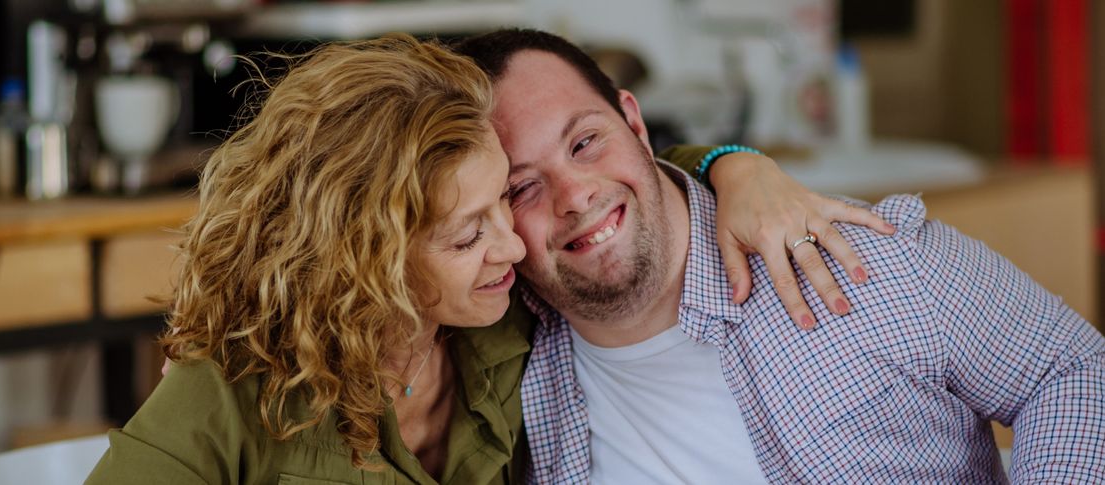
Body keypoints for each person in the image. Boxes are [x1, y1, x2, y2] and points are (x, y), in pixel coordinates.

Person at [86, 34, 886, 484]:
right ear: (365, 260)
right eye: (468, 234)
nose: (514, 242)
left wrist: (738, 165)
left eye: (504, 200)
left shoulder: (513, 319)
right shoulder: (232, 389)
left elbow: (618, 183)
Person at [453, 28, 1105, 484]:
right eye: (522, 187)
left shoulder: (860, 255)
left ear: (635, 120)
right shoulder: (497, 353)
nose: (575, 195)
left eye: (586, 142)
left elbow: (1070, 369)